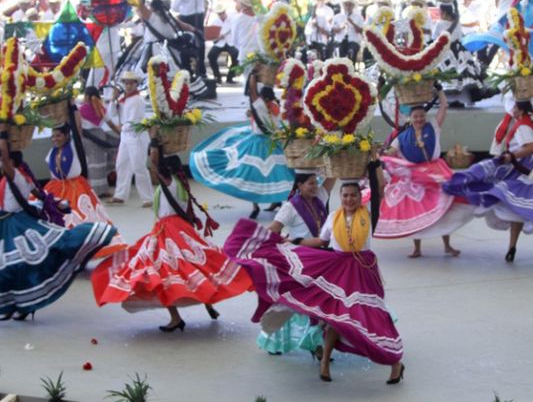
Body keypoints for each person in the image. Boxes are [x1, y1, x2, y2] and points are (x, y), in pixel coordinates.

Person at [224, 164, 405, 384]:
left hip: (364, 272)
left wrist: (374, 163)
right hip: (338, 271)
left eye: (353, 195)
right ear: (340, 197)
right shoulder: (333, 217)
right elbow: (321, 241)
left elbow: (380, 189)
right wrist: (293, 242)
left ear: (360, 197)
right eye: (345, 195)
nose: (349, 199)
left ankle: (394, 362)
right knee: (336, 318)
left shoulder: (367, 214)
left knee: (372, 317)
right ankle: (325, 362)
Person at [0, 124, 116, 320]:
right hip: (6, 219)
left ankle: (20, 305)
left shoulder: (15, 174)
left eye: (4, 161)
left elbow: (7, 161)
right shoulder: (24, 176)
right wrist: (58, 203)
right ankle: (20, 306)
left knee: (7, 265)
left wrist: (3, 132)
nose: (0, 163)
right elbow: (42, 194)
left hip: (13, 224)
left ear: (10, 163)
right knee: (15, 266)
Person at [91, 145, 253, 331]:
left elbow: (154, 166)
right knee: (197, 266)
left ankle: (176, 318)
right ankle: (209, 306)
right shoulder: (180, 183)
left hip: (168, 231)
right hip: (181, 229)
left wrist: (155, 148)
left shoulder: (169, 184)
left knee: (163, 273)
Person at [443, 100, 533, 261]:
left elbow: (529, 147)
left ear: (520, 110)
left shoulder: (523, 126)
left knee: (516, 208)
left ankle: (512, 247)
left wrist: (511, 156)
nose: (512, 110)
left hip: (527, 170)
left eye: (515, 107)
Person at [375, 89, 471, 257]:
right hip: (415, 176)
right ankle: (417, 248)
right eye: (416, 117)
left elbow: (444, 106)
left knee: (443, 209)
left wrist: (439, 91)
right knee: (416, 210)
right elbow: (391, 151)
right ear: (410, 118)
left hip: (436, 173)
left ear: (425, 117)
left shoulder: (433, 127)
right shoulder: (403, 137)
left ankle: (447, 245)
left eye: (421, 116)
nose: (419, 119)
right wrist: (381, 152)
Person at [189, 74, 294, 218]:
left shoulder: (261, 106)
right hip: (273, 143)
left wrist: (252, 75)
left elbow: (252, 91)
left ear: (265, 99)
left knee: (251, 175)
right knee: (274, 175)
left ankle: (255, 206)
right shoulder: (276, 107)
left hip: (258, 144)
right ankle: (276, 201)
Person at [255, 172, 336, 357]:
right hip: (301, 263)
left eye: (316, 183)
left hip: (321, 260)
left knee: (320, 302)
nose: (315, 186)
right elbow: (274, 228)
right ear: (299, 185)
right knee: (290, 304)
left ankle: (316, 344)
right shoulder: (290, 207)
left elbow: (333, 176)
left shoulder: (320, 197)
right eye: (310, 183)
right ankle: (273, 341)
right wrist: (254, 240)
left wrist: (338, 156)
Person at [43, 122, 113, 228]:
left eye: (58, 136)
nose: (55, 139)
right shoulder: (52, 153)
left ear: (66, 136)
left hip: (75, 187)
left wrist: (72, 114)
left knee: (78, 213)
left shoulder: (73, 147)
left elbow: (77, 128)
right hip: (56, 186)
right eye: (53, 136)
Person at [105, 71, 154, 206]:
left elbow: (134, 121)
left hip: (136, 136)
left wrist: (122, 127)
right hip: (126, 136)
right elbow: (112, 113)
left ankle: (148, 198)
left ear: (136, 84)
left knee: (139, 167)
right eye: (126, 83)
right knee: (121, 164)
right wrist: (113, 99)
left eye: (131, 83)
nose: (128, 86)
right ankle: (120, 195)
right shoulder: (123, 98)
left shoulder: (137, 100)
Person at [79, 86, 120, 197]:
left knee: (92, 165)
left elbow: (78, 126)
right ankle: (102, 190)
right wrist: (121, 135)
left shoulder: (81, 109)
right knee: (101, 165)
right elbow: (112, 125)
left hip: (87, 139)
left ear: (86, 96)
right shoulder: (101, 108)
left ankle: (93, 191)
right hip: (100, 137)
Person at [172, 0, 206, 78]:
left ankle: (187, 69)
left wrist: (182, 9)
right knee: (200, 42)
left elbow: (174, 6)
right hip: (199, 17)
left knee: (186, 43)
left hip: (187, 18)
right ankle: (201, 70)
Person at [207, 2, 239, 84]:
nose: (221, 15)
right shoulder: (215, 22)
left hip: (230, 42)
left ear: (225, 12)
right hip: (219, 43)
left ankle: (230, 76)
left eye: (222, 13)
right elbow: (212, 37)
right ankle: (217, 76)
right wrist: (217, 37)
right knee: (211, 55)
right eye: (219, 13)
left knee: (236, 54)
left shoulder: (232, 19)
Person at [331, 0, 365, 66]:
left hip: (353, 41)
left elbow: (361, 31)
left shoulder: (358, 17)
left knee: (351, 52)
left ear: (353, 6)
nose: (348, 7)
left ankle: (351, 68)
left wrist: (352, 23)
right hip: (340, 40)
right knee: (339, 55)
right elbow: (333, 30)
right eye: (346, 5)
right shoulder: (337, 17)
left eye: (350, 5)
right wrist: (341, 27)